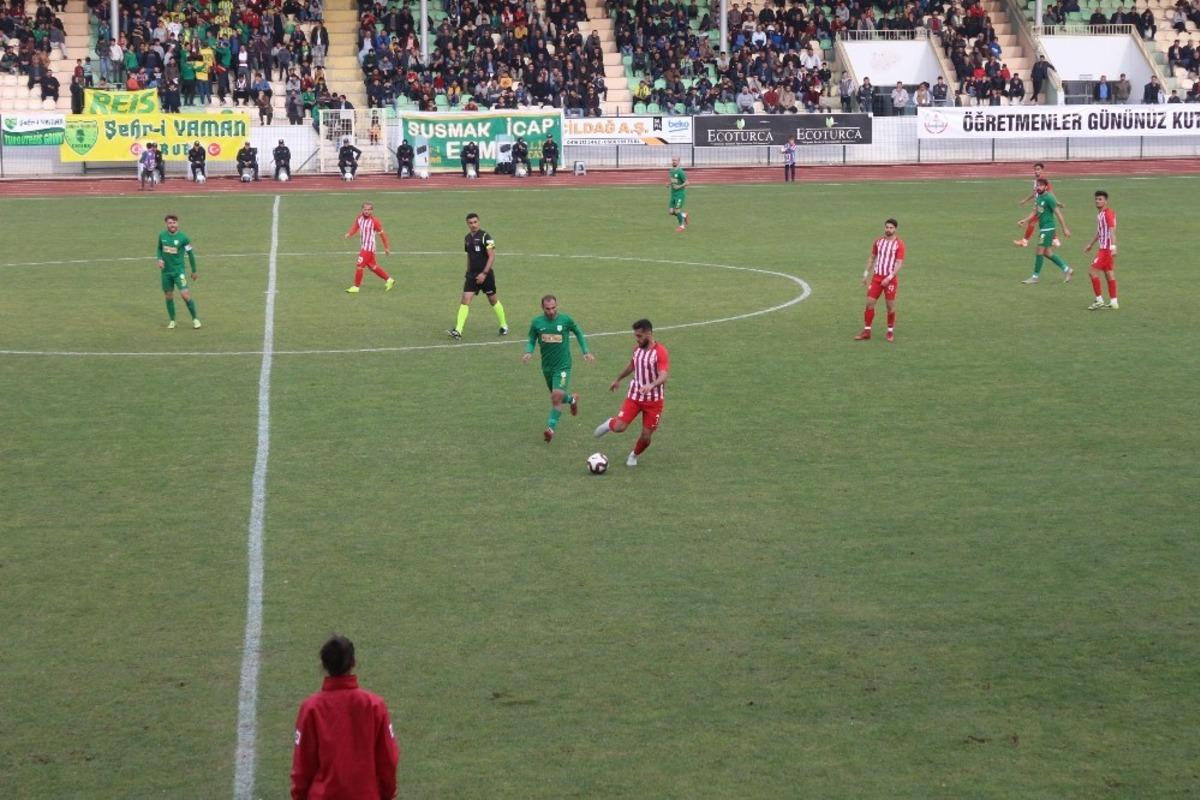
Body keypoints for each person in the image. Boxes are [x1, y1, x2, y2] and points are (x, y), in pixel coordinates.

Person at [290, 634, 400, 800]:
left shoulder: (311, 708)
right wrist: (386, 794)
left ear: (324, 664)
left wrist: (299, 796)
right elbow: (388, 760)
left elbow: (302, 765)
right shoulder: (375, 705)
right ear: (353, 663)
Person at [593, 318, 670, 467]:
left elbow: (664, 374)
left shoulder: (660, 352)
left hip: (654, 402)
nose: (637, 339)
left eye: (639, 336)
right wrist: (618, 379)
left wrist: (652, 385)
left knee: (646, 437)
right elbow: (632, 366)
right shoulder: (637, 350)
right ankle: (610, 423)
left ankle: (634, 455)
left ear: (649, 333)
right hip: (634, 396)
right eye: (636, 336)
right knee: (619, 427)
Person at [521, 294, 594, 442]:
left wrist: (585, 351)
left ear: (557, 306)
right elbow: (531, 339)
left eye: (553, 308)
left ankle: (550, 428)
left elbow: (578, 332)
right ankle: (572, 400)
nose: (551, 311)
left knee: (555, 397)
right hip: (547, 367)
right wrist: (528, 351)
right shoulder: (537, 323)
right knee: (558, 397)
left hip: (563, 366)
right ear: (543, 308)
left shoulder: (565, 320)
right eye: (548, 309)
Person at [447, 213, 509, 339]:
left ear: (479, 222)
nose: (473, 225)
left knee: (493, 300)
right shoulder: (467, 238)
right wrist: (468, 272)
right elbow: (469, 256)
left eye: (475, 222)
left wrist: (484, 273)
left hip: (486, 275)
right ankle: (458, 330)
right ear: (467, 224)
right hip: (472, 275)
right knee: (465, 300)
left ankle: (504, 325)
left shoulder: (487, 236)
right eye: (470, 223)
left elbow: (492, 256)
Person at [854, 218, 905, 342]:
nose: (888, 229)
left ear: (895, 229)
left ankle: (890, 332)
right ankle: (866, 331)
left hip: (890, 280)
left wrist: (888, 278)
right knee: (869, 303)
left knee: (890, 306)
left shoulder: (899, 244)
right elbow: (872, 258)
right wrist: (866, 274)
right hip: (877, 278)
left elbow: (899, 264)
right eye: (887, 227)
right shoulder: (878, 242)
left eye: (891, 228)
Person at [1018, 178, 1072, 284]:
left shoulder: (1049, 198)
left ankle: (1035, 277)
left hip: (1048, 228)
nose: (1038, 187)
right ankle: (1067, 270)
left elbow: (1058, 214)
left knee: (1039, 250)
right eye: (1037, 185)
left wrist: (1064, 228)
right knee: (1047, 253)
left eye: (1041, 185)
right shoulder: (1039, 198)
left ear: (1046, 187)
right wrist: (1024, 221)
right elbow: (1034, 213)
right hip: (1043, 228)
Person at [156, 214, 201, 329]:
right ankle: (172, 320)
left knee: (185, 295)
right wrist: (159, 259)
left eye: (174, 222)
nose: (172, 225)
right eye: (170, 223)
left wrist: (194, 271)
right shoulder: (162, 235)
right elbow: (159, 248)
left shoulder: (183, 238)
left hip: (178, 271)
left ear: (178, 223)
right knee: (168, 296)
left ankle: (195, 319)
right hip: (166, 272)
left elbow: (190, 254)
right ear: (166, 224)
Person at [343, 202, 394, 293]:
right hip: (364, 246)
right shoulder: (359, 218)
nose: (367, 211)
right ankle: (389, 280)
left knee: (359, 265)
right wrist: (350, 233)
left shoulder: (375, 221)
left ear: (372, 211)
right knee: (372, 266)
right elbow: (356, 227)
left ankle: (356, 287)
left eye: (369, 210)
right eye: (365, 209)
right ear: (362, 210)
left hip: (369, 247)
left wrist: (386, 247)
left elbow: (382, 235)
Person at [1083, 190, 1120, 310]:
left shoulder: (1107, 214)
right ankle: (1114, 302)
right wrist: (1091, 244)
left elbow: (1112, 230)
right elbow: (1100, 232)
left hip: (1105, 249)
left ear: (1106, 201)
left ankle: (1099, 300)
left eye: (1100, 199)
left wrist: (1113, 247)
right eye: (1096, 199)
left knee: (1092, 271)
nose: (1097, 201)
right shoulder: (1100, 214)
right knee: (1109, 274)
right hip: (1104, 248)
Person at [1014, 162, 1060, 247]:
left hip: (1042, 205)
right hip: (1039, 204)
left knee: (1032, 222)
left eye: (1038, 169)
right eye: (1035, 169)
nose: (1036, 171)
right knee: (1046, 222)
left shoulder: (1044, 181)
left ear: (1042, 170)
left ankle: (1025, 241)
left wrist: (1056, 202)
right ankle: (1055, 240)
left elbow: (1050, 192)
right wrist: (1025, 200)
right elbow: (1034, 193)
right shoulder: (1037, 181)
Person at [667, 156, 689, 232]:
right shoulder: (671, 171)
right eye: (673, 160)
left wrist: (679, 186)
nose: (674, 162)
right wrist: (669, 184)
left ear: (679, 162)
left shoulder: (680, 172)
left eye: (675, 160)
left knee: (677, 210)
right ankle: (684, 215)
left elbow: (687, 182)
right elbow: (673, 180)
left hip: (680, 194)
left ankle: (682, 226)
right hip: (673, 194)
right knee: (670, 212)